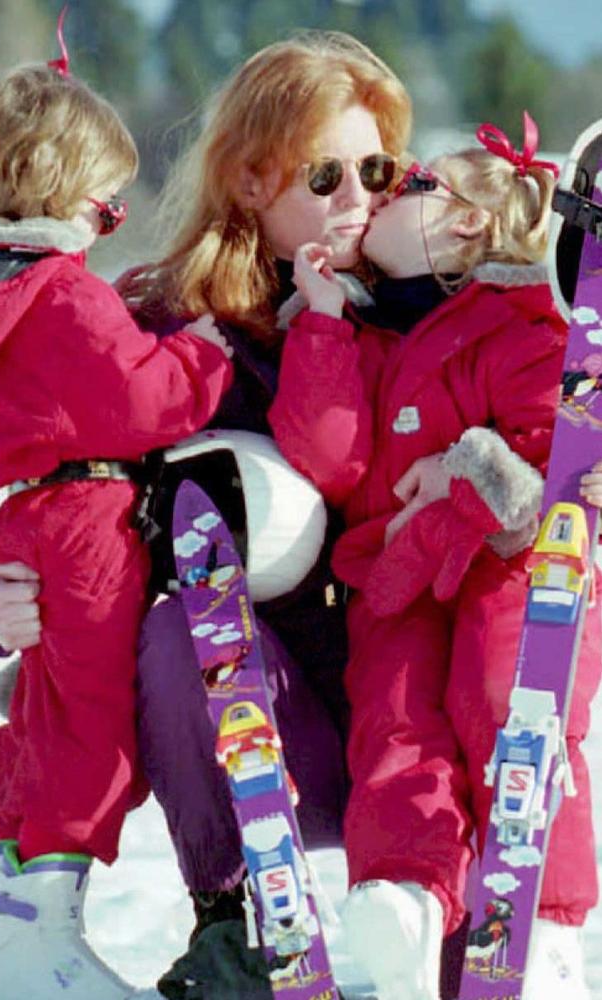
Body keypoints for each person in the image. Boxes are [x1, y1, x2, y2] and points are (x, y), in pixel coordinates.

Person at [0, 31, 419, 1000]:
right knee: (181, 622)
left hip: (394, 726)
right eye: (324, 174)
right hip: (243, 718)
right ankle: (238, 927)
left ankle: (436, 916)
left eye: (378, 170)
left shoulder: (424, 323)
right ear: (250, 180)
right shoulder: (163, 335)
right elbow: (51, 502)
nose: (358, 199)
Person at [268, 114, 602, 1000]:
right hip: (403, 583)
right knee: (396, 726)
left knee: (511, 711)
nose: (382, 193)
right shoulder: (368, 331)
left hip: (514, 573)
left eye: (411, 185)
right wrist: (326, 329)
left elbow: (557, 457)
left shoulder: (526, 317)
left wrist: (466, 471)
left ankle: (548, 925)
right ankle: (404, 898)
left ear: (463, 224)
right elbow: (328, 455)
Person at [0, 33, 235, 1000]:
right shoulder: (66, 296)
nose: (114, 219)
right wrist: (204, 353)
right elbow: (141, 398)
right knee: (92, 732)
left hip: (30, 511)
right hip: (89, 526)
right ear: (71, 192)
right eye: (107, 202)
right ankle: (42, 936)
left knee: (45, 714)